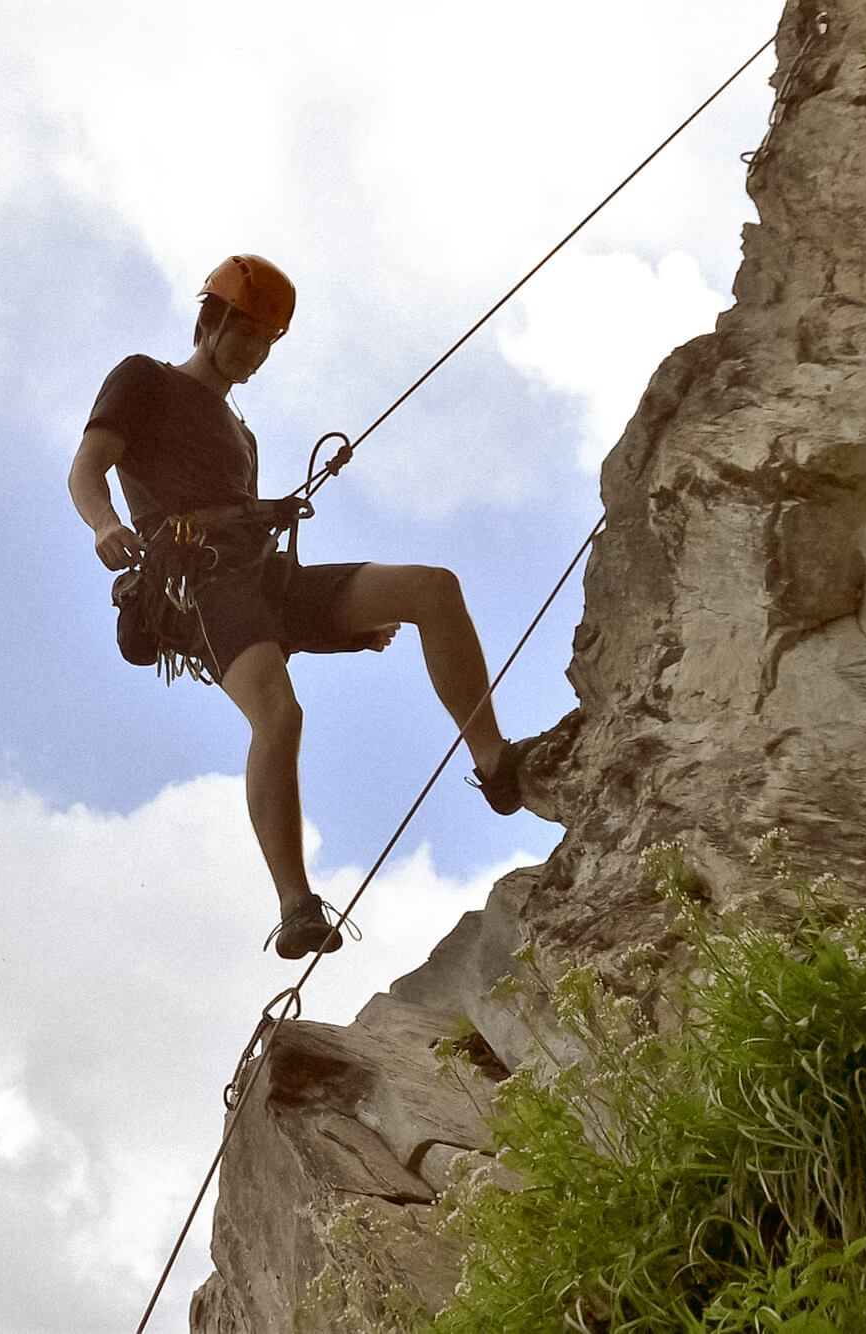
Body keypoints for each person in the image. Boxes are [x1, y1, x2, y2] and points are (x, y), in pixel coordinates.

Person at [69, 254, 535, 958]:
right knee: (278, 714)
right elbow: (87, 468)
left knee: (431, 589)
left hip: (261, 577)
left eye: (267, 343)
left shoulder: (242, 434)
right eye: (246, 334)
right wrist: (105, 523)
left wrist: (342, 629)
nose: (255, 353)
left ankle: (493, 759)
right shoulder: (146, 379)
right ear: (210, 321)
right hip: (196, 584)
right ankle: (295, 906)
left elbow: (258, 573)